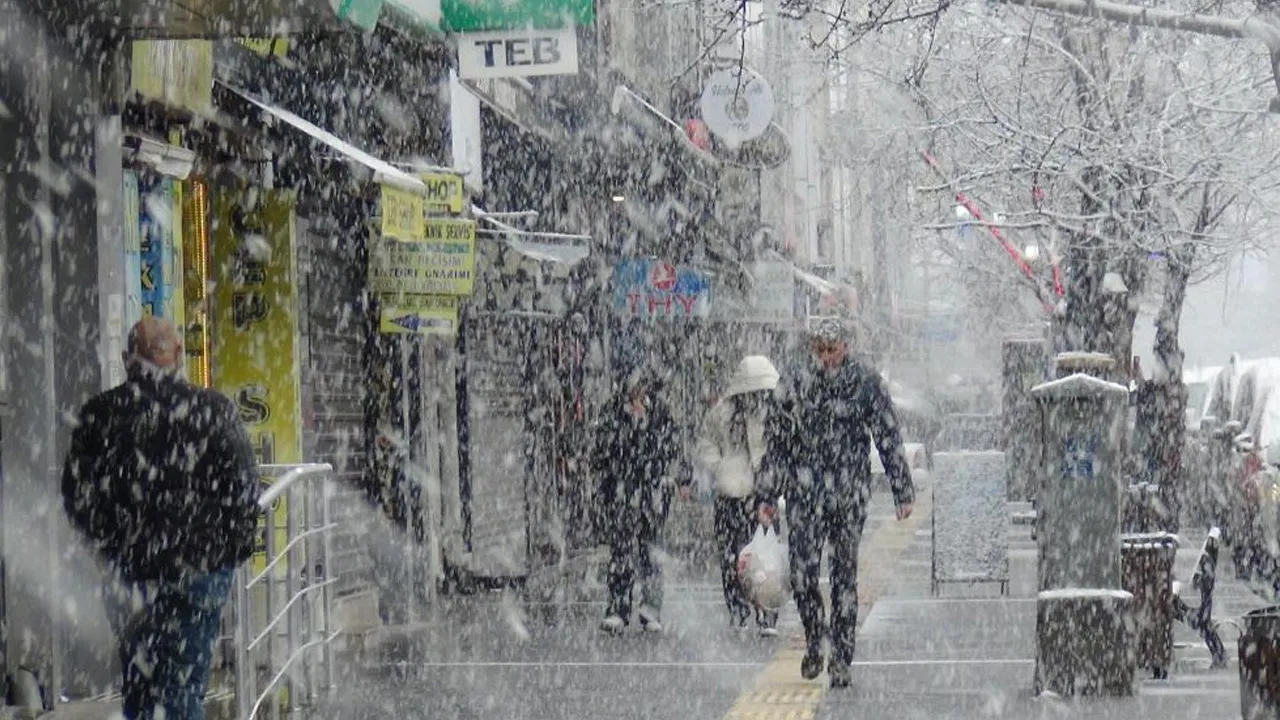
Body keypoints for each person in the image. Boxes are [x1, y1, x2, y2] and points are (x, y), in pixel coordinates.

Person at [61, 317, 261, 720]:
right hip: (198, 572)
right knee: (183, 686)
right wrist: (223, 556)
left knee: (139, 685)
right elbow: (243, 491)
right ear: (179, 358)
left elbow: (77, 496)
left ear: (126, 360)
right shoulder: (213, 410)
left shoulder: (101, 415)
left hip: (130, 574)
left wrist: (108, 547)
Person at [757, 318, 915, 688]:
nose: (826, 358)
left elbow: (887, 435)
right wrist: (767, 495)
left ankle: (842, 657)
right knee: (802, 574)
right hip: (803, 492)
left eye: (832, 350)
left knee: (845, 576)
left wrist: (902, 490)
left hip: (848, 493)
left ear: (845, 346)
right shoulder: (794, 383)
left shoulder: (864, 383)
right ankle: (815, 637)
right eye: (819, 350)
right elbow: (776, 443)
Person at [695, 355, 781, 635]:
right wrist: (720, 467)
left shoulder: (774, 414)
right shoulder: (721, 414)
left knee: (766, 558)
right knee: (732, 557)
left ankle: (766, 612)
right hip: (730, 496)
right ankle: (738, 609)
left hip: (761, 495)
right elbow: (706, 442)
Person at [592, 369, 682, 634]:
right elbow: (602, 451)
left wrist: (664, 470)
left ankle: (651, 608)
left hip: (651, 491)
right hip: (622, 490)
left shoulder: (659, 412)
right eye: (633, 383)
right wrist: (626, 437)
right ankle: (618, 608)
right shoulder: (612, 411)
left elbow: (671, 446)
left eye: (642, 383)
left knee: (650, 550)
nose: (638, 389)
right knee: (621, 551)